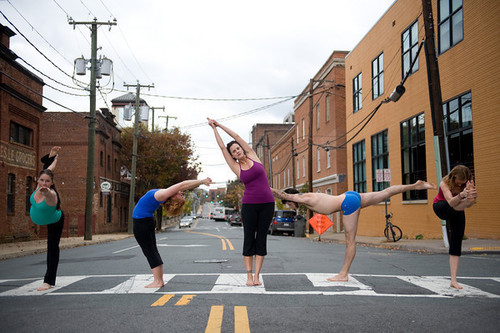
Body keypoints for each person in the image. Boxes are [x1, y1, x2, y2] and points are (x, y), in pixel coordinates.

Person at [271, 180, 436, 282]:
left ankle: (343, 274)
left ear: (289, 198)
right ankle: (417, 185)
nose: (288, 205)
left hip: (347, 203)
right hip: (350, 196)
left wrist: (261, 185)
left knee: (350, 241)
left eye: (287, 203)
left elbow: (281, 194)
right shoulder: (307, 196)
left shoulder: (302, 197)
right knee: (385, 192)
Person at [208, 118, 275, 286]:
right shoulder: (236, 167)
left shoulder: (253, 156)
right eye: (234, 151)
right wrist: (213, 129)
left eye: (238, 148)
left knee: (261, 239)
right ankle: (249, 276)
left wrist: (220, 124)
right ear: (232, 156)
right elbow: (222, 147)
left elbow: (236, 135)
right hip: (249, 206)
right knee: (248, 239)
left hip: (267, 204)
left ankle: (258, 276)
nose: (237, 151)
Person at [133, 177, 212, 288]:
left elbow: (182, 184)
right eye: (182, 195)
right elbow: (182, 185)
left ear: (174, 197)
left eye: (181, 196)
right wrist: (200, 182)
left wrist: (201, 181)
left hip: (142, 222)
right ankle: (158, 280)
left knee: (149, 251)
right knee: (152, 250)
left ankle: (158, 281)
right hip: (147, 220)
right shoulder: (164, 195)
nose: (182, 194)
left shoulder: (163, 195)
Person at [433, 165, 477, 289]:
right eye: (458, 183)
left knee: (456, 243)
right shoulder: (444, 183)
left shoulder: (467, 184)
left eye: (462, 184)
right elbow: (451, 202)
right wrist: (462, 195)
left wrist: (471, 195)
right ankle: (463, 202)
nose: (459, 185)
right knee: (453, 205)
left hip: (458, 210)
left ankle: (453, 280)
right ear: (453, 177)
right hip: (441, 207)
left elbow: (470, 203)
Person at [30, 146, 64, 291]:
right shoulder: (39, 185)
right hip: (44, 218)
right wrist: (54, 157)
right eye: (42, 180)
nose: (44, 183)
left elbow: (50, 198)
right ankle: (52, 155)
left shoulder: (51, 195)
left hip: (55, 220)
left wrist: (47, 193)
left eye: (47, 181)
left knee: (52, 248)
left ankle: (48, 281)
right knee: (47, 167)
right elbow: (49, 169)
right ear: (38, 180)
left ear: (51, 183)